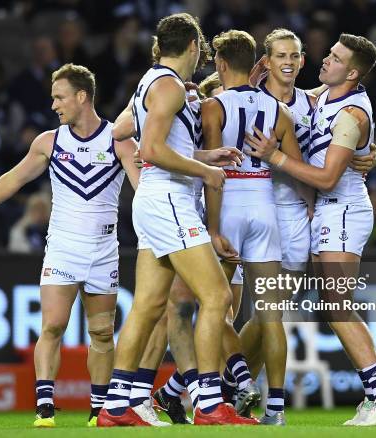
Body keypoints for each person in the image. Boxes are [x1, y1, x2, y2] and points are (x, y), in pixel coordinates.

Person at [0, 63, 141, 428]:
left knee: (101, 333)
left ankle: (99, 411)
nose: (53, 105)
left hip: (104, 250)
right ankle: (45, 407)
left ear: (82, 96)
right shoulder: (49, 142)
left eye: (59, 97)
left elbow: (144, 189)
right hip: (63, 248)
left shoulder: (119, 140)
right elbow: (12, 179)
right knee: (53, 325)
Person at [97, 13, 255, 427]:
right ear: (192, 47)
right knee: (217, 298)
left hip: (155, 197)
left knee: (148, 307)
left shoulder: (152, 83)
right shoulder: (168, 86)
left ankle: (115, 407)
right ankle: (210, 404)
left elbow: (159, 145)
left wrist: (205, 156)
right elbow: (149, 149)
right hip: (169, 199)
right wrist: (204, 172)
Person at [245, 33, 376, 426]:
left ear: (352, 72)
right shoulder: (327, 97)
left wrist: (276, 155)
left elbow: (328, 178)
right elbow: (287, 94)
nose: (325, 60)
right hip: (326, 215)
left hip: (343, 210)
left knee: (337, 305)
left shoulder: (351, 114)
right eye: (329, 54)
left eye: (335, 59)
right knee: (331, 305)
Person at [202, 29, 303, 426]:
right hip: (265, 206)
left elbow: (213, 171)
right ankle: (275, 409)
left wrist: (213, 226)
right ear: (256, 63)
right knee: (271, 315)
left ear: (221, 64)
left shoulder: (213, 106)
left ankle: (235, 384)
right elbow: (294, 168)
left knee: (215, 306)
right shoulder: (280, 110)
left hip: (229, 203)